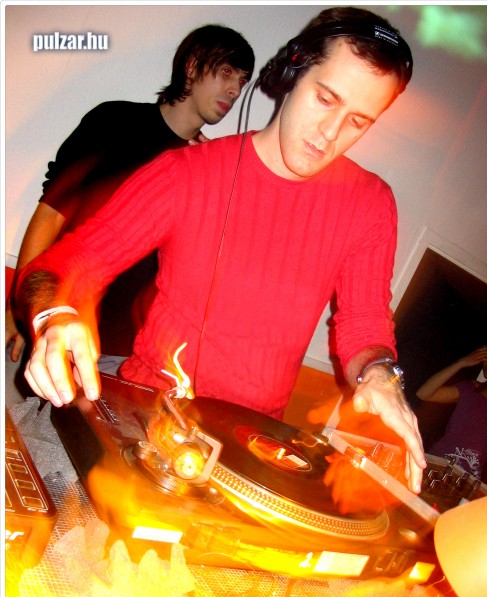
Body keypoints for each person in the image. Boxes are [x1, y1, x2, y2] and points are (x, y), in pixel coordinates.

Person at [14, 6, 428, 495]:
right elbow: (65, 263)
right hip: (143, 422)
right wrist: (56, 314)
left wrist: (380, 375)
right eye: (325, 98)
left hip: (250, 450)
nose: (330, 133)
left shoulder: (371, 204)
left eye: (358, 121)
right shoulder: (185, 172)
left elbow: (364, 322)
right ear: (291, 72)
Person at [6, 24, 255, 360]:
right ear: (192, 66)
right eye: (226, 72)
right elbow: (52, 214)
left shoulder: (206, 167)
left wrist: (215, 183)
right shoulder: (114, 122)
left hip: (128, 357)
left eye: (242, 80)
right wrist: (22, 308)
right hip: (61, 327)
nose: (234, 90)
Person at [416, 333, 487, 482]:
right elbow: (423, 393)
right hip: (431, 466)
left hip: (463, 485)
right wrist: (462, 363)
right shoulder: (470, 389)